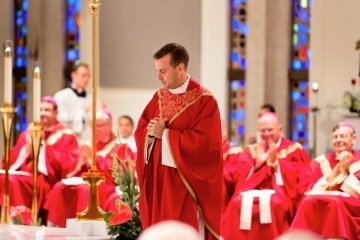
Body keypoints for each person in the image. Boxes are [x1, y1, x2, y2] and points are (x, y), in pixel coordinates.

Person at [134, 43, 223, 240]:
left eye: (163, 71)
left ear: (180, 68)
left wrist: (165, 135)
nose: (158, 77)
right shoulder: (158, 97)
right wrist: (150, 134)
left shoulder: (205, 101)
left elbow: (206, 145)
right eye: (157, 71)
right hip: (158, 181)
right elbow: (141, 130)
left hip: (185, 185)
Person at [221, 112, 312, 240]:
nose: (267, 134)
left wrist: (277, 164)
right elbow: (238, 177)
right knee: (236, 204)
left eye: (270, 130)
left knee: (275, 204)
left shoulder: (294, 149)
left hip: (282, 194)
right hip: (251, 192)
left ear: (280, 129)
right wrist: (256, 165)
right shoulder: (251, 150)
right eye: (263, 131)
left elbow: (302, 179)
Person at [43, 109, 135, 227]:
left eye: (99, 126)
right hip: (85, 180)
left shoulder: (119, 144)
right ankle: (55, 227)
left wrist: (93, 158)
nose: (95, 129)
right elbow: (72, 166)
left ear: (109, 125)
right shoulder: (88, 144)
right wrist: (80, 163)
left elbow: (117, 173)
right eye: (93, 126)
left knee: (85, 190)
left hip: (106, 185)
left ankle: (83, 228)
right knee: (59, 187)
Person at [0, 96, 79, 212]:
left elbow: (67, 165)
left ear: (56, 113)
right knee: (5, 179)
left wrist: (41, 146)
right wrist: (27, 149)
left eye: (47, 110)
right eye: (40, 110)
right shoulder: (27, 133)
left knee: (12, 181)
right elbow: (8, 162)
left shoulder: (66, 135)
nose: (42, 113)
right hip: (26, 176)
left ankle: (20, 220)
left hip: (46, 181)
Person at [291, 122, 360, 239]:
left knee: (335, 203)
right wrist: (334, 173)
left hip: (349, 209)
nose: (338, 140)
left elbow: (355, 192)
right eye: (335, 137)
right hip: (319, 207)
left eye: (343, 136)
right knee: (307, 202)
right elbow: (305, 188)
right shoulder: (320, 162)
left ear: (353, 139)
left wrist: (345, 172)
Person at [54, 63, 92, 142]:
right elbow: (60, 119)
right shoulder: (61, 96)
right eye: (83, 75)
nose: (86, 79)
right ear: (74, 75)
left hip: (87, 141)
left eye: (88, 76)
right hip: (66, 141)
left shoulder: (91, 98)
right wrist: (83, 112)